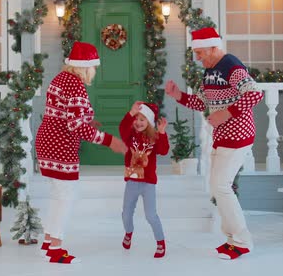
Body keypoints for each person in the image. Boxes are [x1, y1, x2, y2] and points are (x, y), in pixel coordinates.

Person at [165, 27, 263, 260]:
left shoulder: (231, 65)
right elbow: (201, 103)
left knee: (221, 186)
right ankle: (232, 240)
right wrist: (178, 95)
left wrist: (226, 113)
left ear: (213, 47)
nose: (198, 57)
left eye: (200, 52)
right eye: (195, 53)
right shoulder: (209, 71)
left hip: (238, 135)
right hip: (222, 136)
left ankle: (242, 240)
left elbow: (254, 94)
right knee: (218, 187)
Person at [35, 41, 127, 264]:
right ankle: (56, 248)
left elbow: (66, 114)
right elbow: (74, 126)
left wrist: (88, 121)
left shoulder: (60, 79)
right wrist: (110, 141)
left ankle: (48, 241)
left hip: (47, 142)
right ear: (86, 67)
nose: (94, 73)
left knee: (59, 194)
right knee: (66, 196)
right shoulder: (75, 85)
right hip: (60, 146)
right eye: (94, 68)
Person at [119, 101, 169, 258]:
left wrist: (161, 133)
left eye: (143, 119)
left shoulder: (154, 137)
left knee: (151, 215)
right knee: (126, 213)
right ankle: (128, 233)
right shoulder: (130, 136)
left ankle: (160, 242)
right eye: (137, 119)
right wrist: (130, 114)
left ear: (149, 122)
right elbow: (122, 129)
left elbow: (163, 150)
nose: (138, 122)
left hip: (148, 183)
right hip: (132, 181)